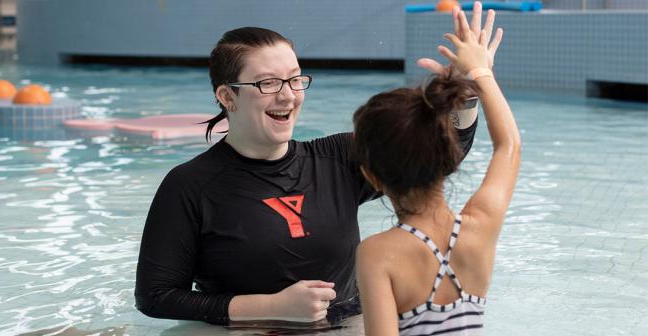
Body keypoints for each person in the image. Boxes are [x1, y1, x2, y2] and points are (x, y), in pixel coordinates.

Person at [134, 2, 501, 326]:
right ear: (227, 95)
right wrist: (268, 307)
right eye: (268, 83)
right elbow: (156, 296)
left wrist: (466, 96)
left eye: (295, 79)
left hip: (348, 325)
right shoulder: (190, 185)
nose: (288, 95)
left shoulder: (339, 158)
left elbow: (434, 162)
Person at [354, 7, 520, 336]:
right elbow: (509, 145)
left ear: (372, 177)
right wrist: (479, 73)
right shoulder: (480, 227)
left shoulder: (376, 254)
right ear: (447, 155)